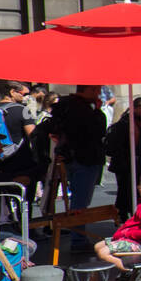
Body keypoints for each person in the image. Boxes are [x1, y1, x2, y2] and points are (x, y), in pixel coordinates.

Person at [93, 172, 141, 273]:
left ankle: (128, 272)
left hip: (139, 242)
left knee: (102, 253)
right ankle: (102, 277)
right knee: (97, 246)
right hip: (135, 239)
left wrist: (126, 233)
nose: (138, 186)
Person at [50, 85, 107, 214]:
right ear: (89, 89)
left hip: (69, 156)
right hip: (84, 158)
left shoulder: (65, 105)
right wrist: (97, 111)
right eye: (96, 89)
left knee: (78, 198)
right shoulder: (82, 109)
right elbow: (97, 131)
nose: (98, 93)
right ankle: (78, 233)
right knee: (80, 201)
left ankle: (76, 229)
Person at [104, 97, 141, 222]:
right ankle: (122, 215)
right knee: (125, 190)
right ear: (135, 108)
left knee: (140, 189)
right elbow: (118, 145)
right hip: (125, 163)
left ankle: (135, 213)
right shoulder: (125, 123)